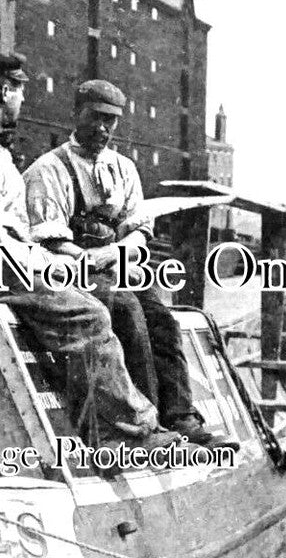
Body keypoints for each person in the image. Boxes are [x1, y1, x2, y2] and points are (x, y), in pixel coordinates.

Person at [0, 49, 177, 453]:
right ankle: (123, 433)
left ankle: (113, 423)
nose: (22, 100)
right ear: (3, 91)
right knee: (88, 314)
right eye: (19, 91)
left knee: (98, 297)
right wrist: (56, 266)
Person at [23, 79, 235, 450]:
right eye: (96, 118)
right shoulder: (48, 170)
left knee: (162, 317)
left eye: (111, 121)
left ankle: (181, 416)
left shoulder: (124, 169)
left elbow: (138, 232)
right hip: (68, 269)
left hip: (112, 263)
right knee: (126, 310)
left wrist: (117, 255)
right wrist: (92, 260)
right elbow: (50, 239)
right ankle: (147, 426)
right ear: (77, 114)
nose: (103, 128)